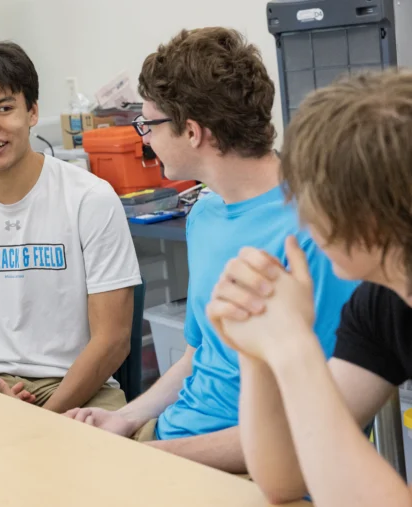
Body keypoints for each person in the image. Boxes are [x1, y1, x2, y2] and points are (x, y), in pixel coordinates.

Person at [64, 27, 358, 473]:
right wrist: (125, 419)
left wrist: (149, 456)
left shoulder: (317, 231)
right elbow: (201, 354)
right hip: (173, 440)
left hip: (257, 467)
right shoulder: (205, 212)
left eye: (149, 124)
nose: (145, 138)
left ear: (193, 132)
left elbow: (314, 429)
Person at [207, 70, 412, 506]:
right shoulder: (383, 302)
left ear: (368, 216)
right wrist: (256, 351)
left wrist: (292, 348)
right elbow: (284, 479)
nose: (301, 217)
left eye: (310, 197)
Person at [0, 40, 142, 414]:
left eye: (4, 108)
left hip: (76, 387)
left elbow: (114, 339)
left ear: (32, 111)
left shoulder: (90, 199)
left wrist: (38, 420)